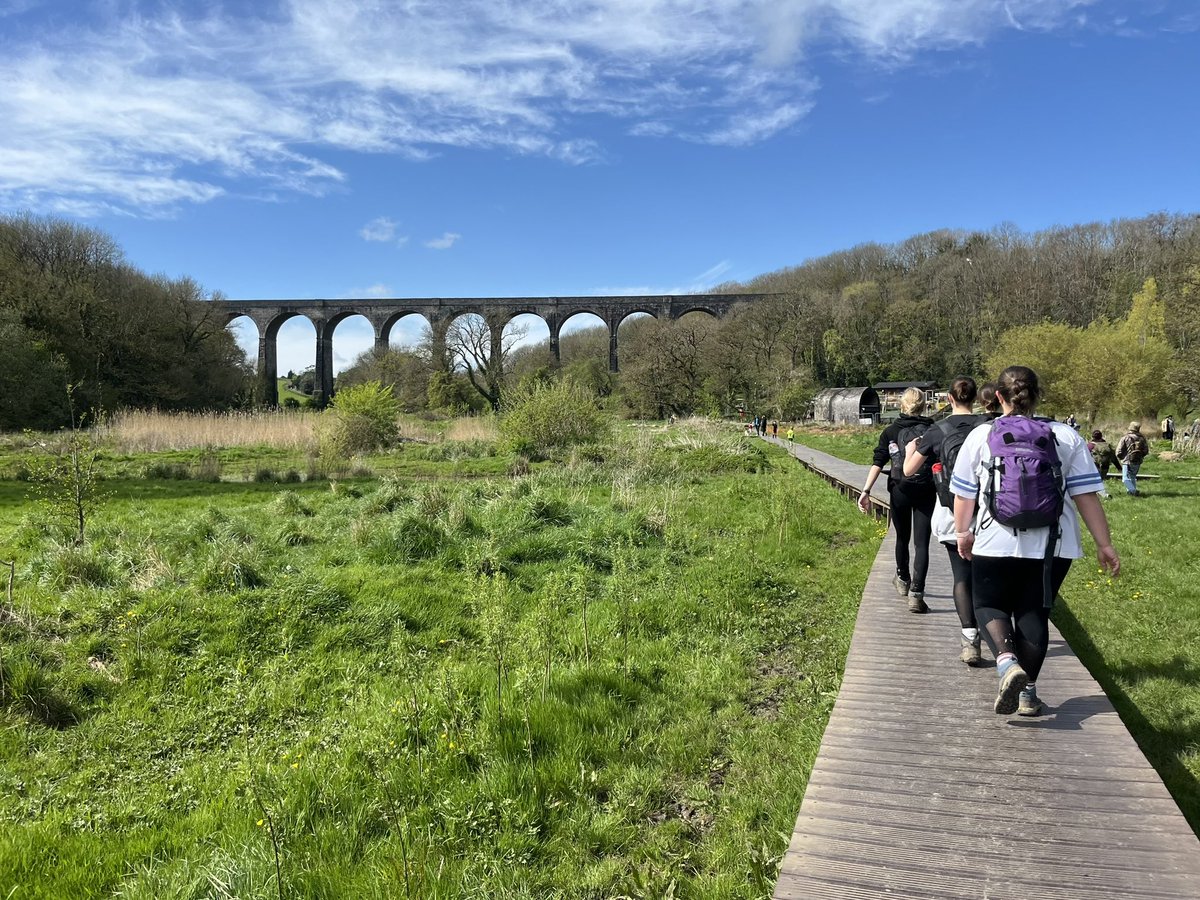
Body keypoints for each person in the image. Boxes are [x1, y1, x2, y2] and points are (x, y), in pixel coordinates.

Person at [952, 366, 1120, 716]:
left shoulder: (982, 435)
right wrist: (1104, 544)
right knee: (1034, 613)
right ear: (1037, 395)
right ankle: (1028, 694)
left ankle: (1006, 661)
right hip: (1053, 544)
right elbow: (1086, 495)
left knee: (987, 606)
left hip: (994, 538)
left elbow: (965, 495)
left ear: (998, 397)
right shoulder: (1066, 436)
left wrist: (963, 532)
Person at [904, 377, 983, 663]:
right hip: (991, 516)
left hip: (953, 514)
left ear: (949, 399)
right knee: (986, 579)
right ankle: (1001, 639)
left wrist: (911, 451)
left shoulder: (939, 430)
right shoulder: (989, 426)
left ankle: (970, 639)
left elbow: (910, 470)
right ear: (975, 399)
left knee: (961, 577)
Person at [857, 388, 937, 613]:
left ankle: (903, 579)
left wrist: (866, 490)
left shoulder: (891, 430)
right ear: (924, 405)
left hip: (900, 488)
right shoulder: (933, 430)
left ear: (902, 405)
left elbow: (878, 461)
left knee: (902, 537)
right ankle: (917, 593)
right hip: (925, 490)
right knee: (922, 543)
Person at [1115, 421, 1149, 496]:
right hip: (1138, 461)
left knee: (1125, 479)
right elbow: (1146, 450)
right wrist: (1140, 456)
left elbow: (1118, 451)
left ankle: (1133, 490)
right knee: (1132, 477)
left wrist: (1121, 458)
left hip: (1127, 461)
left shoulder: (1125, 437)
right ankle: (1131, 493)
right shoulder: (1142, 438)